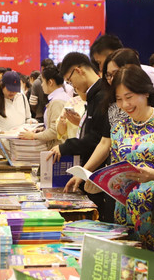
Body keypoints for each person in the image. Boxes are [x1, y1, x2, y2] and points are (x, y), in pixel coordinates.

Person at [91, 66, 154, 251]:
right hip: (125, 214)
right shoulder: (118, 129)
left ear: (145, 92)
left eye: (129, 97)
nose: (125, 105)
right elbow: (117, 170)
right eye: (119, 99)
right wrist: (99, 182)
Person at [49, 52, 115, 221]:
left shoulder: (102, 95)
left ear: (78, 71)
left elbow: (98, 139)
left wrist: (66, 147)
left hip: (99, 175)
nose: (72, 86)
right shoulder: (93, 95)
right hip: (90, 172)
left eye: (70, 81)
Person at [90, 34, 154, 112]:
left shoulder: (149, 73)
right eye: (109, 75)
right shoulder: (107, 99)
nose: (101, 67)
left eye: (100, 62)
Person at [19, 64, 71, 148]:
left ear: (50, 82)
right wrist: (43, 129)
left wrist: (33, 136)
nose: (42, 85)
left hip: (58, 149)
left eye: (43, 81)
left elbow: (55, 131)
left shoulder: (57, 101)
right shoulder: (61, 97)